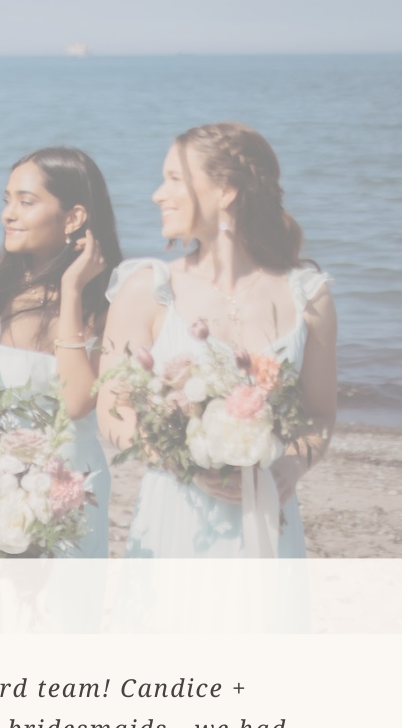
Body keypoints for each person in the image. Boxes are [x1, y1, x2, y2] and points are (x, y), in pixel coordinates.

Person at [97, 121, 336, 558]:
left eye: (174, 179)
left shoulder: (307, 296)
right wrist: (180, 461)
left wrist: (291, 464)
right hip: (176, 518)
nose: (157, 194)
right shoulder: (147, 288)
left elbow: (319, 414)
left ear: (225, 191)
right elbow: (112, 413)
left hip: (266, 518)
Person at [0, 146, 122, 558]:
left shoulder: (105, 311)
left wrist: (73, 292)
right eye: (7, 200)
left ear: (74, 218)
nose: (8, 214)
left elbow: (76, 402)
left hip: (76, 492)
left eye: (26, 202)